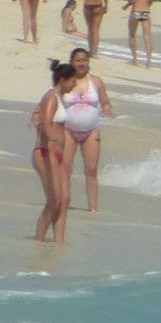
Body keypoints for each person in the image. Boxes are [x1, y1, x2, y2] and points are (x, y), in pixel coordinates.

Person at [62, 47, 114, 212]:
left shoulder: (96, 81)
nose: (81, 63)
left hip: (91, 131)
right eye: (78, 60)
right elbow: (53, 98)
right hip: (68, 130)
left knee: (91, 171)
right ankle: (64, 204)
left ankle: (93, 209)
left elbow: (105, 102)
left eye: (84, 60)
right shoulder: (65, 81)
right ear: (71, 62)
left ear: (88, 62)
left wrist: (106, 108)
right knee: (65, 168)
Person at [31, 60, 78, 243]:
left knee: (64, 200)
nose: (75, 84)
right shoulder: (51, 97)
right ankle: (39, 242)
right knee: (54, 200)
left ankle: (59, 243)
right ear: (63, 80)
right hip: (46, 152)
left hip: (58, 154)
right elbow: (46, 125)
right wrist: (52, 147)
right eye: (73, 81)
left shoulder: (60, 98)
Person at [125, 0, 155, 67]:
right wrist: (146, 5)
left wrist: (126, 5)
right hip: (145, 10)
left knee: (132, 35)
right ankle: (148, 61)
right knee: (147, 36)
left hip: (136, 10)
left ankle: (135, 59)